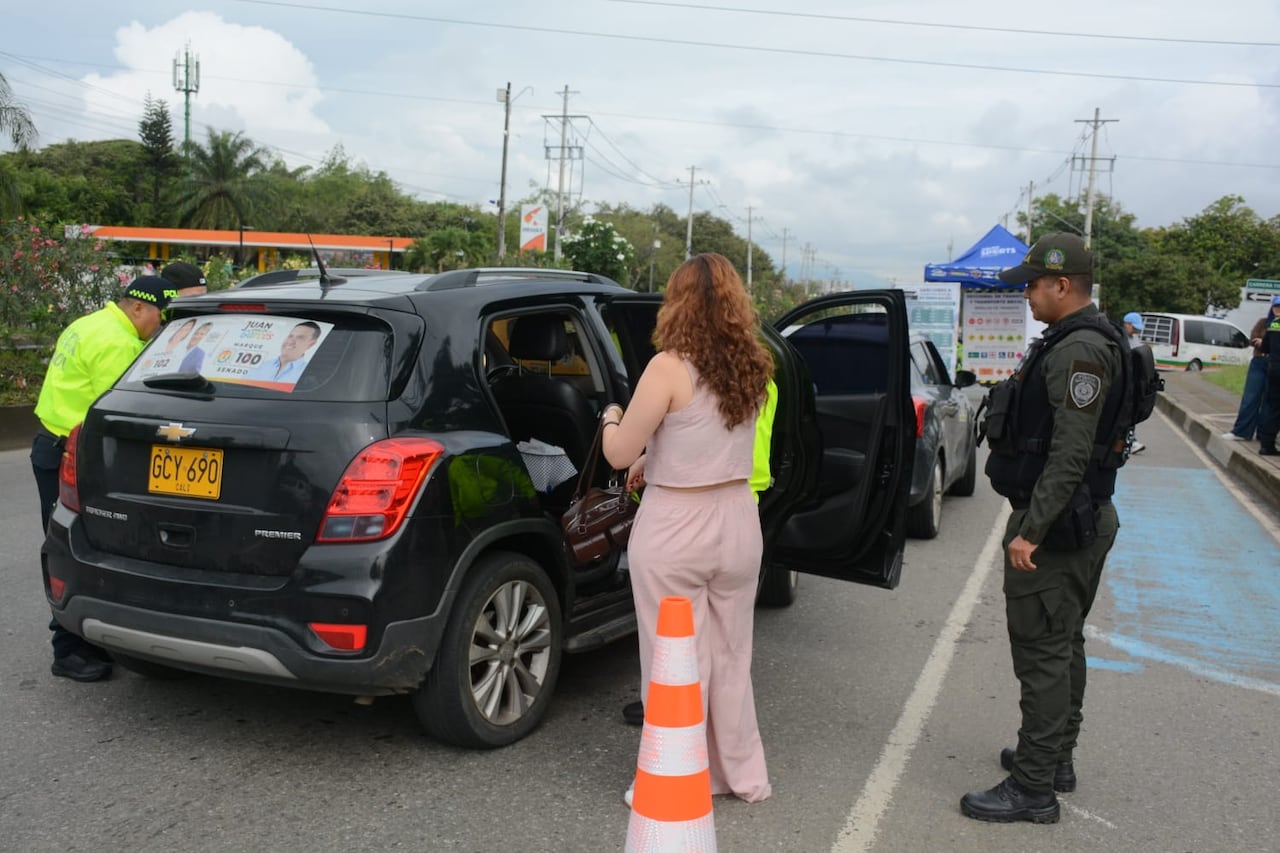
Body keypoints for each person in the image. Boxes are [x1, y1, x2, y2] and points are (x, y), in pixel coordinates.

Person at [601, 253, 774, 804]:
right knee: (730, 655)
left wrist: (609, 417)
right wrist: (659, 456)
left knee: (673, 661)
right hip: (738, 519)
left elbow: (618, 452)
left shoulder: (668, 367)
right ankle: (739, 775)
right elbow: (712, 442)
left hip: (675, 526)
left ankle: (676, 778)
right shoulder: (754, 363)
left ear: (676, 301)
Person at [963, 233, 1124, 824]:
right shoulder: (1080, 341)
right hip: (1077, 516)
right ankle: (1052, 758)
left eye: (1032, 284)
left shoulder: (1078, 351)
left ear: (1061, 284)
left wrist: (1032, 529)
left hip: (1058, 523)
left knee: (1043, 651)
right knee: (1063, 642)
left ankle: (1033, 788)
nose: (1026, 295)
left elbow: (1070, 453)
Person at [31, 275, 176, 681]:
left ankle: (85, 640)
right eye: (159, 317)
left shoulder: (87, 324)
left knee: (65, 538)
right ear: (138, 308)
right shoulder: (119, 344)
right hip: (73, 456)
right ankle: (69, 651)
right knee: (77, 545)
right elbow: (124, 415)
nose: (159, 327)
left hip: (50, 443)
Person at [619, 375, 778, 727]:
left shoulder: (676, 373)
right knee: (727, 648)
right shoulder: (756, 373)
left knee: (678, 643)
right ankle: (726, 755)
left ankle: (677, 735)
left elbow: (628, 449)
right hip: (741, 506)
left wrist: (613, 421)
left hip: (688, 508)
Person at [1224, 308, 1275, 443]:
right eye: (1276, 307)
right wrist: (1263, 343)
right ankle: (1241, 431)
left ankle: (1264, 433)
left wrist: (1264, 343)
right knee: (1250, 397)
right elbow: (1253, 339)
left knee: (1270, 401)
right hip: (1259, 361)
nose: (1278, 310)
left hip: (1275, 364)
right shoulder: (1264, 322)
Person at [248, 321, 321, 382]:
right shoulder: (259, 366)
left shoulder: (310, 374)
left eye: (300, 337)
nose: (291, 341)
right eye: (290, 336)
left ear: (311, 344)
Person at [1256, 295, 1280, 456]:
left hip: (1274, 369)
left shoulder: (1273, 324)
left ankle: (1266, 444)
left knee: (1273, 407)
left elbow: (1264, 348)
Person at [1122, 312, 1147, 454]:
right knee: (1126, 414)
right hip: (1124, 382)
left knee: (1130, 414)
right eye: (1134, 327)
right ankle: (1132, 441)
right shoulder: (1121, 339)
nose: (1136, 330)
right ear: (1127, 324)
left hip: (1134, 382)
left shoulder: (1135, 338)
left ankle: (1131, 440)